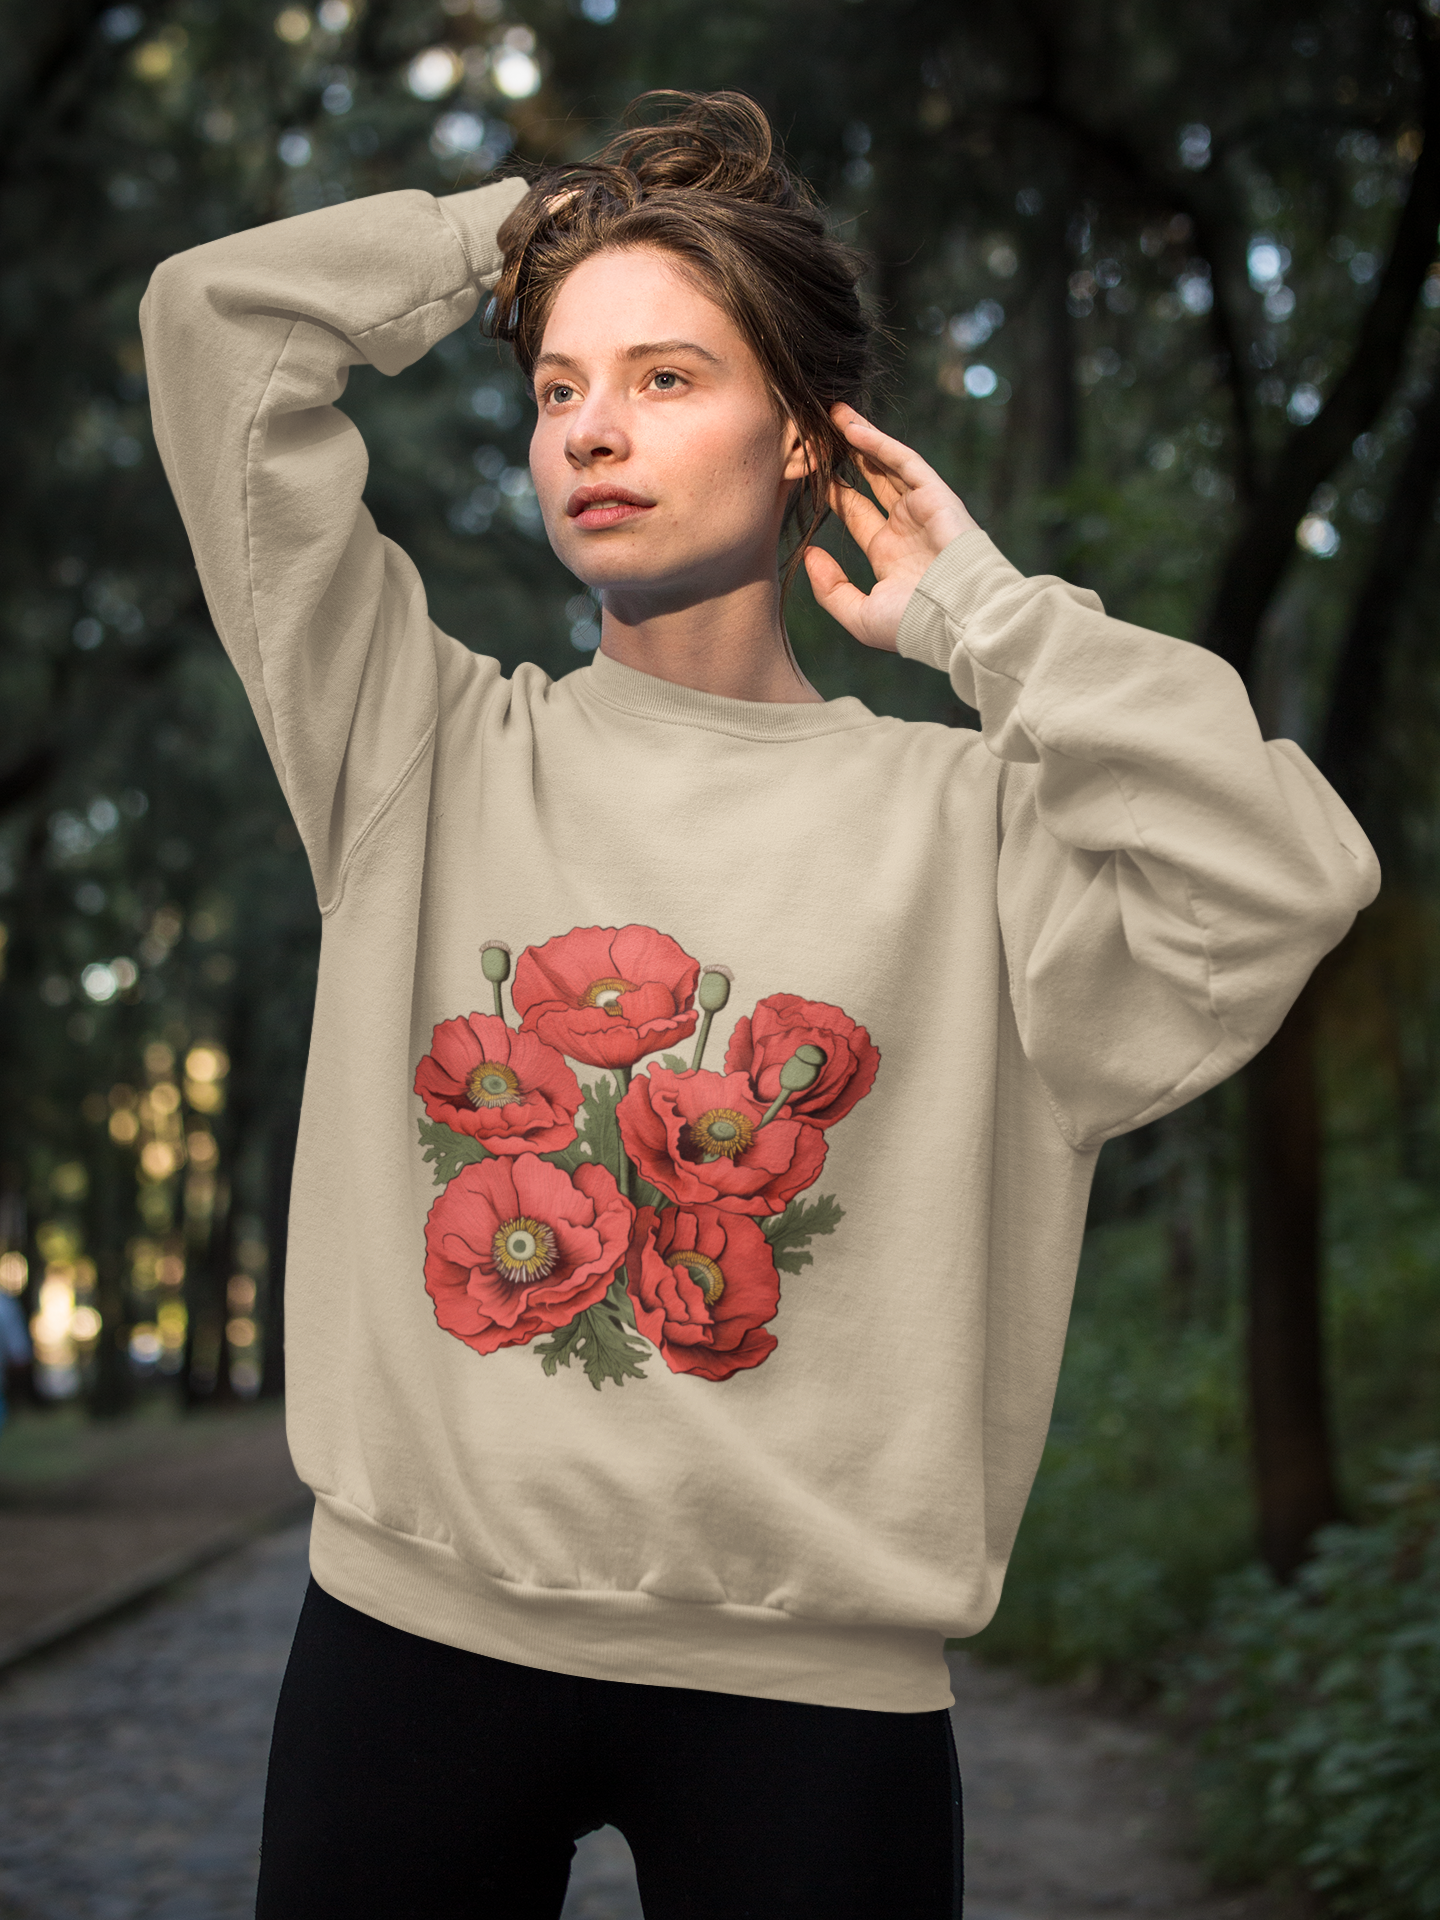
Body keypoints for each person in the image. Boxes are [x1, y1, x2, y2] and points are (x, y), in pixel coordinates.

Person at [139, 91, 1378, 1920]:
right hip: (411, 1644)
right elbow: (215, 325)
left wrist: (986, 621)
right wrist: (541, 222)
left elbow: (1287, 871)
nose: (594, 433)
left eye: (665, 377)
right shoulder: (413, 744)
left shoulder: (973, 829)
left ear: (803, 436)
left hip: (813, 1698)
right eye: (560, 389)